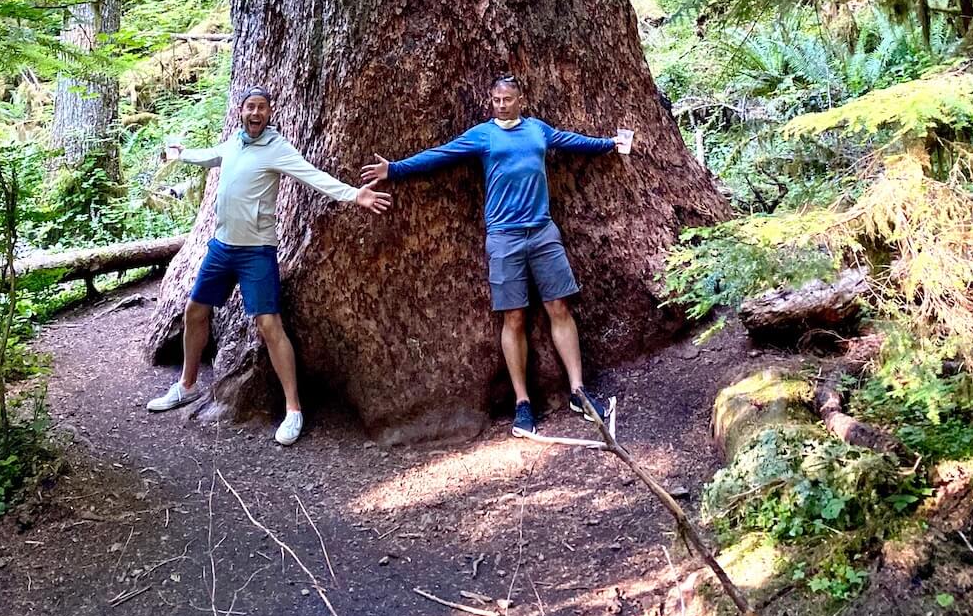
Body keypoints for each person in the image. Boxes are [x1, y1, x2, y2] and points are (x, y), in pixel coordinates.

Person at [362, 74, 633, 439]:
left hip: (542, 231)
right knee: (514, 316)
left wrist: (609, 144)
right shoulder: (483, 135)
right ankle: (522, 403)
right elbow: (440, 155)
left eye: (507, 99)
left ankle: (578, 392)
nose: (501, 105)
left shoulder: (538, 130)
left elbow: (573, 142)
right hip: (503, 237)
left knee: (559, 308)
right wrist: (394, 169)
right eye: (496, 99)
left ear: (520, 98)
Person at [148, 86, 391, 444]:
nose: (255, 113)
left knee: (268, 323)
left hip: (256, 251)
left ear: (270, 112)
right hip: (221, 248)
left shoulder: (277, 149)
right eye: (250, 107)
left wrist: (355, 194)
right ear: (241, 110)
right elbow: (211, 157)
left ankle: (294, 409)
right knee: (195, 311)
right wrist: (182, 155)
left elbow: (313, 176)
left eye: (262, 108)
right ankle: (186, 384)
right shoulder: (233, 143)